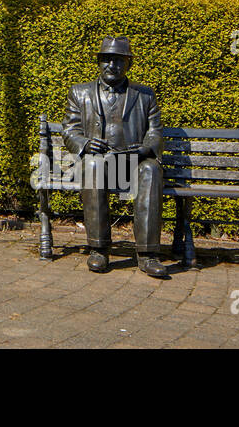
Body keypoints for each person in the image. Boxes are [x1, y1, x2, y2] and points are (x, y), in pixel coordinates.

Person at [62, 36, 169, 278]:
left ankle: (148, 254)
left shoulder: (144, 95)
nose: (113, 65)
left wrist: (146, 148)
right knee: (92, 164)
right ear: (99, 63)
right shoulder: (79, 93)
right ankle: (98, 249)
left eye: (119, 60)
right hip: (99, 163)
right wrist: (86, 143)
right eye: (107, 60)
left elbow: (155, 131)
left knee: (151, 169)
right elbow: (70, 130)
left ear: (128, 64)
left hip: (134, 163)